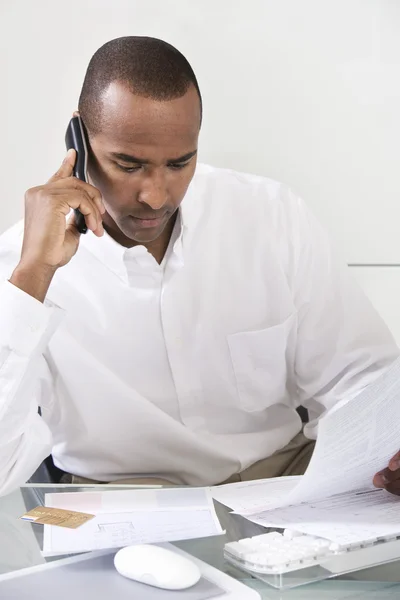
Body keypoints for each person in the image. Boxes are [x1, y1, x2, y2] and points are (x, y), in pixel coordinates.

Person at [0, 36, 398, 497]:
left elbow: (363, 379)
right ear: (79, 139)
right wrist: (32, 277)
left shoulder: (270, 216)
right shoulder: (21, 265)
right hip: (121, 502)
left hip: (285, 483)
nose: (155, 195)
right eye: (128, 165)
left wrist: (386, 446)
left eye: (179, 163)